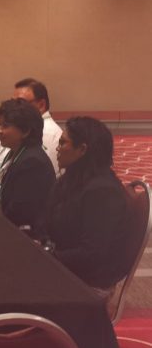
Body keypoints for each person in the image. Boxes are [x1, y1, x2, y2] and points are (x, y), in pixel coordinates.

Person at [43, 116, 128, 291]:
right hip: (65, 264)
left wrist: (47, 257)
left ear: (82, 149)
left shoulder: (103, 192)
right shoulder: (72, 178)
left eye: (63, 143)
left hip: (86, 280)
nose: (57, 148)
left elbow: (93, 254)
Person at [0, 99, 56, 230]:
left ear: (25, 131)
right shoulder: (15, 153)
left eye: (5, 126)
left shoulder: (33, 163)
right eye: (0, 125)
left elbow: (19, 214)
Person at [13, 78, 63, 176]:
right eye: (12, 103)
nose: (13, 108)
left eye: (20, 103)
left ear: (41, 105)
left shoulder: (47, 133)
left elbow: (40, 176)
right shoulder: (18, 129)